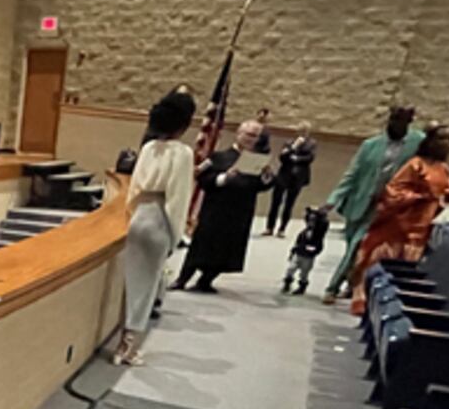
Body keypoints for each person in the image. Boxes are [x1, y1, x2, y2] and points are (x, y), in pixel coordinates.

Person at [116, 92, 197, 365]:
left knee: (132, 280)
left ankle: (122, 343)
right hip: (160, 218)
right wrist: (176, 234)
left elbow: (135, 186)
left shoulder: (149, 148)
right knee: (147, 286)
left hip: (140, 215)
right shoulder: (183, 153)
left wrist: (132, 213)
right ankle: (129, 347)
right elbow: (178, 197)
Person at [348, 122, 449, 313]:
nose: (446, 143)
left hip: (422, 229)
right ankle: (367, 304)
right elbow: (393, 191)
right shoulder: (415, 165)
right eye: (441, 139)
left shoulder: (443, 168)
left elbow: (447, 192)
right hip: (399, 226)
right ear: (430, 141)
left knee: (407, 273)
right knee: (380, 266)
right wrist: (420, 196)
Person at [320, 105, 424, 305]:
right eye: (393, 119)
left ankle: (332, 287)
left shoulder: (418, 143)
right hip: (361, 203)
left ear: (409, 122)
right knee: (354, 246)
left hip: (389, 208)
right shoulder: (370, 145)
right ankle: (352, 285)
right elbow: (352, 174)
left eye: (401, 120)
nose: (395, 124)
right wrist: (333, 199)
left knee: (359, 246)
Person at [171, 119, 275, 294]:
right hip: (216, 210)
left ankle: (206, 280)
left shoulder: (258, 160)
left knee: (229, 248)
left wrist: (267, 178)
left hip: (241, 211)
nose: (251, 139)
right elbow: (203, 179)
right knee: (202, 245)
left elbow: (260, 186)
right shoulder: (218, 157)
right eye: (248, 134)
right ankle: (182, 280)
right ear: (239, 134)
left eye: (255, 136)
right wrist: (224, 178)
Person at [263, 121, 316, 237]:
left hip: (298, 177)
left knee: (289, 204)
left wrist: (296, 158)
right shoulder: (289, 143)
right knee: (275, 202)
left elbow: (310, 158)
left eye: (304, 131)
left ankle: (282, 229)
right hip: (284, 175)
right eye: (300, 130)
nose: (301, 133)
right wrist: (294, 147)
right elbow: (282, 157)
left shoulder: (311, 144)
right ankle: (269, 227)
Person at [281, 205, 329, 295]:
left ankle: (302, 286)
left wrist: (313, 252)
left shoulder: (318, 235)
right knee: (290, 269)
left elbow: (319, 246)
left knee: (304, 273)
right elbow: (297, 243)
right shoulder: (304, 233)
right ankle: (287, 282)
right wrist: (292, 252)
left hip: (308, 257)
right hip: (299, 253)